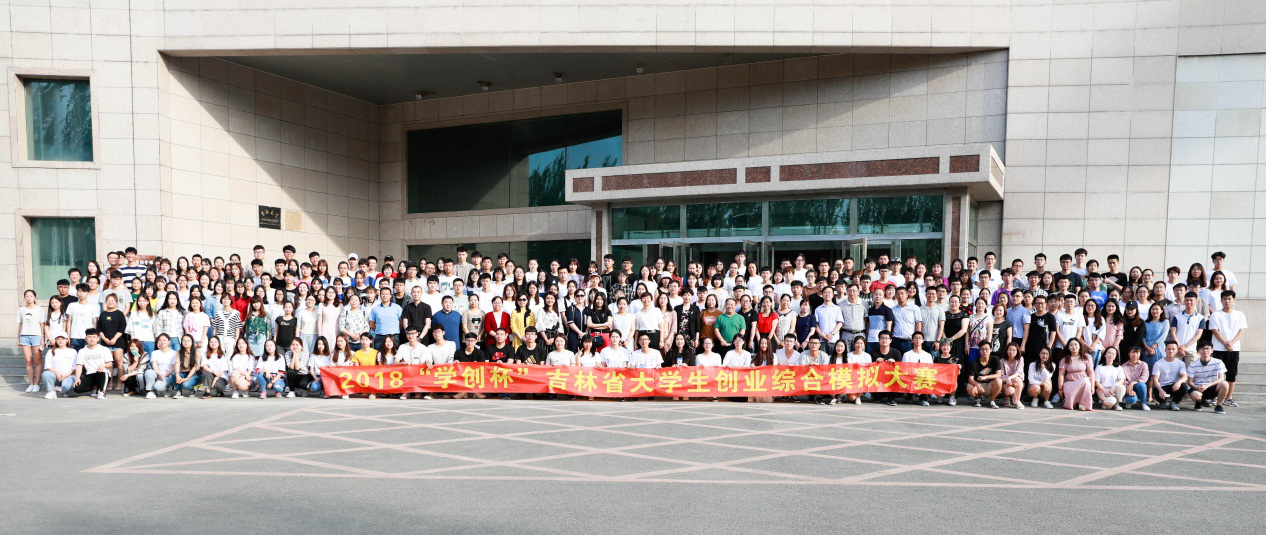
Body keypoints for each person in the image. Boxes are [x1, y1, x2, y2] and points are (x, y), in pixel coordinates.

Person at [1207, 290, 1246, 407]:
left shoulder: (1239, 314)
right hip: (1218, 348)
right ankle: (1215, 397)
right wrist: (1225, 343)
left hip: (1234, 349)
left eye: (1229, 299)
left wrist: (1232, 343)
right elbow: (1215, 330)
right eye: (1224, 299)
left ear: (1234, 300)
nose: (1227, 301)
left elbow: (1242, 330)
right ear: (1221, 300)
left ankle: (1229, 397)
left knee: (1231, 373)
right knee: (1217, 373)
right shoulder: (1216, 315)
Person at [1186, 342, 1230, 414]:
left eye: (1208, 348)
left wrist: (1207, 385)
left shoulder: (1218, 362)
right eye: (1202, 349)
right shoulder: (1193, 364)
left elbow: (1221, 378)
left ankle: (1219, 405)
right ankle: (1198, 402)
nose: (1205, 351)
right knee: (1196, 395)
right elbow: (1190, 382)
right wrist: (1196, 387)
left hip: (1212, 387)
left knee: (1225, 384)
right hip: (1198, 388)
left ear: (1212, 350)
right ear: (1198, 351)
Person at [19, 289, 47, 393]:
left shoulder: (40, 310)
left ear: (35, 298)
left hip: (37, 336)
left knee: (38, 360)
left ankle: (37, 384)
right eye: (27, 296)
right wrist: (18, 338)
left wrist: (43, 339)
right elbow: (20, 324)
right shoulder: (21, 310)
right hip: (24, 336)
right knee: (28, 361)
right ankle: (31, 383)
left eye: (31, 296)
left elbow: (42, 324)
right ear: (24, 298)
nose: (29, 298)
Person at [1151, 341, 1190, 411]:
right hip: (1162, 387)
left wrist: (1179, 382)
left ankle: (1174, 402)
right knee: (1156, 390)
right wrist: (1160, 390)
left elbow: (1185, 376)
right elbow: (1155, 379)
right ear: (1165, 350)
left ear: (1177, 350)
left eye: (1173, 349)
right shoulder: (1158, 363)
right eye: (1169, 349)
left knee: (1184, 386)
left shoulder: (1181, 363)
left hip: (1174, 387)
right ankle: (1162, 402)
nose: (1171, 351)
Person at [1058, 338, 1094, 411]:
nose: (1074, 347)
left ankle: (1083, 404)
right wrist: (1060, 389)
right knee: (1085, 381)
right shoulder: (1065, 359)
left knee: (1086, 381)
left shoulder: (1086, 357)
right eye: (1071, 345)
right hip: (1070, 384)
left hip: (1084, 384)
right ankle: (1074, 402)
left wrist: (1093, 386)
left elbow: (1091, 372)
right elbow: (1061, 375)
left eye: (1075, 344)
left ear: (1080, 346)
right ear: (1068, 348)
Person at [966, 341, 1002, 408]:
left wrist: (985, 377)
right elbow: (970, 379)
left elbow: (998, 375)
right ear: (979, 350)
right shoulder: (974, 363)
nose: (984, 351)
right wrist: (977, 385)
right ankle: (978, 398)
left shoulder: (995, 359)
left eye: (987, 349)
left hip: (990, 385)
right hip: (979, 385)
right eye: (982, 349)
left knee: (999, 381)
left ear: (991, 350)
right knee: (969, 388)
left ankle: (991, 400)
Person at [41, 334, 78, 399]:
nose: (61, 341)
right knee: (46, 374)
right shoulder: (51, 351)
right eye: (58, 339)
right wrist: (57, 373)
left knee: (66, 386)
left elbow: (74, 367)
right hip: (56, 376)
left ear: (67, 340)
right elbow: (48, 366)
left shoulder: (73, 351)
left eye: (63, 339)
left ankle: (63, 391)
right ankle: (51, 392)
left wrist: (66, 375)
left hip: (68, 376)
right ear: (55, 340)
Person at [902, 332, 934, 406]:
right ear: (912, 340)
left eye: (919, 338)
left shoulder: (927, 355)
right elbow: (904, 368)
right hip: (910, 376)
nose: (917, 339)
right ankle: (909, 396)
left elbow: (930, 369)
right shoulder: (907, 354)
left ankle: (923, 398)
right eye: (915, 338)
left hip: (923, 376)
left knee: (928, 377)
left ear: (923, 340)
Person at [144, 333, 179, 399]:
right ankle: (151, 391)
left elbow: (174, 368)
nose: (162, 342)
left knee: (158, 387)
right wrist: (159, 374)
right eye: (160, 340)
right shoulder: (155, 353)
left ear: (169, 341)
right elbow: (154, 366)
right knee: (149, 372)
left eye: (164, 340)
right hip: (158, 374)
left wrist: (165, 375)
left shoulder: (174, 353)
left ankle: (168, 388)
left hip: (169, 375)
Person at [1094, 346, 1126, 411]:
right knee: (1111, 401)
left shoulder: (1118, 367)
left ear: (1115, 356)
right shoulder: (1099, 367)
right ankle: (1106, 403)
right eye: (1109, 353)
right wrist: (1104, 391)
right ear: (1105, 355)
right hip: (1102, 389)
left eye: (1113, 354)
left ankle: (1117, 404)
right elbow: (1097, 382)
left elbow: (1122, 379)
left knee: (1122, 387)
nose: (1111, 355)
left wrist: (1114, 386)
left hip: (1114, 389)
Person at [1120, 346, 1151, 411]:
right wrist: (1130, 388)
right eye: (1133, 352)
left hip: (1139, 388)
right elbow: (1123, 379)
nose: (1135, 354)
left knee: (1141, 384)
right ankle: (1128, 401)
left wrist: (1133, 383)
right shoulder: (1124, 366)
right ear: (1129, 353)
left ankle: (1144, 403)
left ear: (1140, 354)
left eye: (1137, 353)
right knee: (1132, 399)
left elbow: (1144, 377)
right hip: (1128, 388)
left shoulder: (1144, 364)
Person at [172, 334, 201, 398]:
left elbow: (195, 367)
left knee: (186, 385)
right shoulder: (179, 352)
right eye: (184, 340)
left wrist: (187, 378)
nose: (185, 342)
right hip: (182, 373)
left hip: (193, 374)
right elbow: (177, 363)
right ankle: (178, 391)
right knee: (174, 374)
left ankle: (191, 389)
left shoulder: (196, 352)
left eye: (188, 340)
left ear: (192, 342)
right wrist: (177, 374)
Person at [999, 342, 1025, 409]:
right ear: (1006, 350)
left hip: (1016, 381)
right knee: (1010, 390)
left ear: (1017, 351)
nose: (1011, 352)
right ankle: (1006, 397)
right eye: (1010, 350)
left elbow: (1019, 372)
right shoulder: (1002, 361)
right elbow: (1001, 375)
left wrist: (1010, 378)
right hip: (1006, 383)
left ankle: (1017, 401)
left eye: (1014, 350)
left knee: (1018, 380)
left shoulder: (1020, 359)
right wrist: (1008, 380)